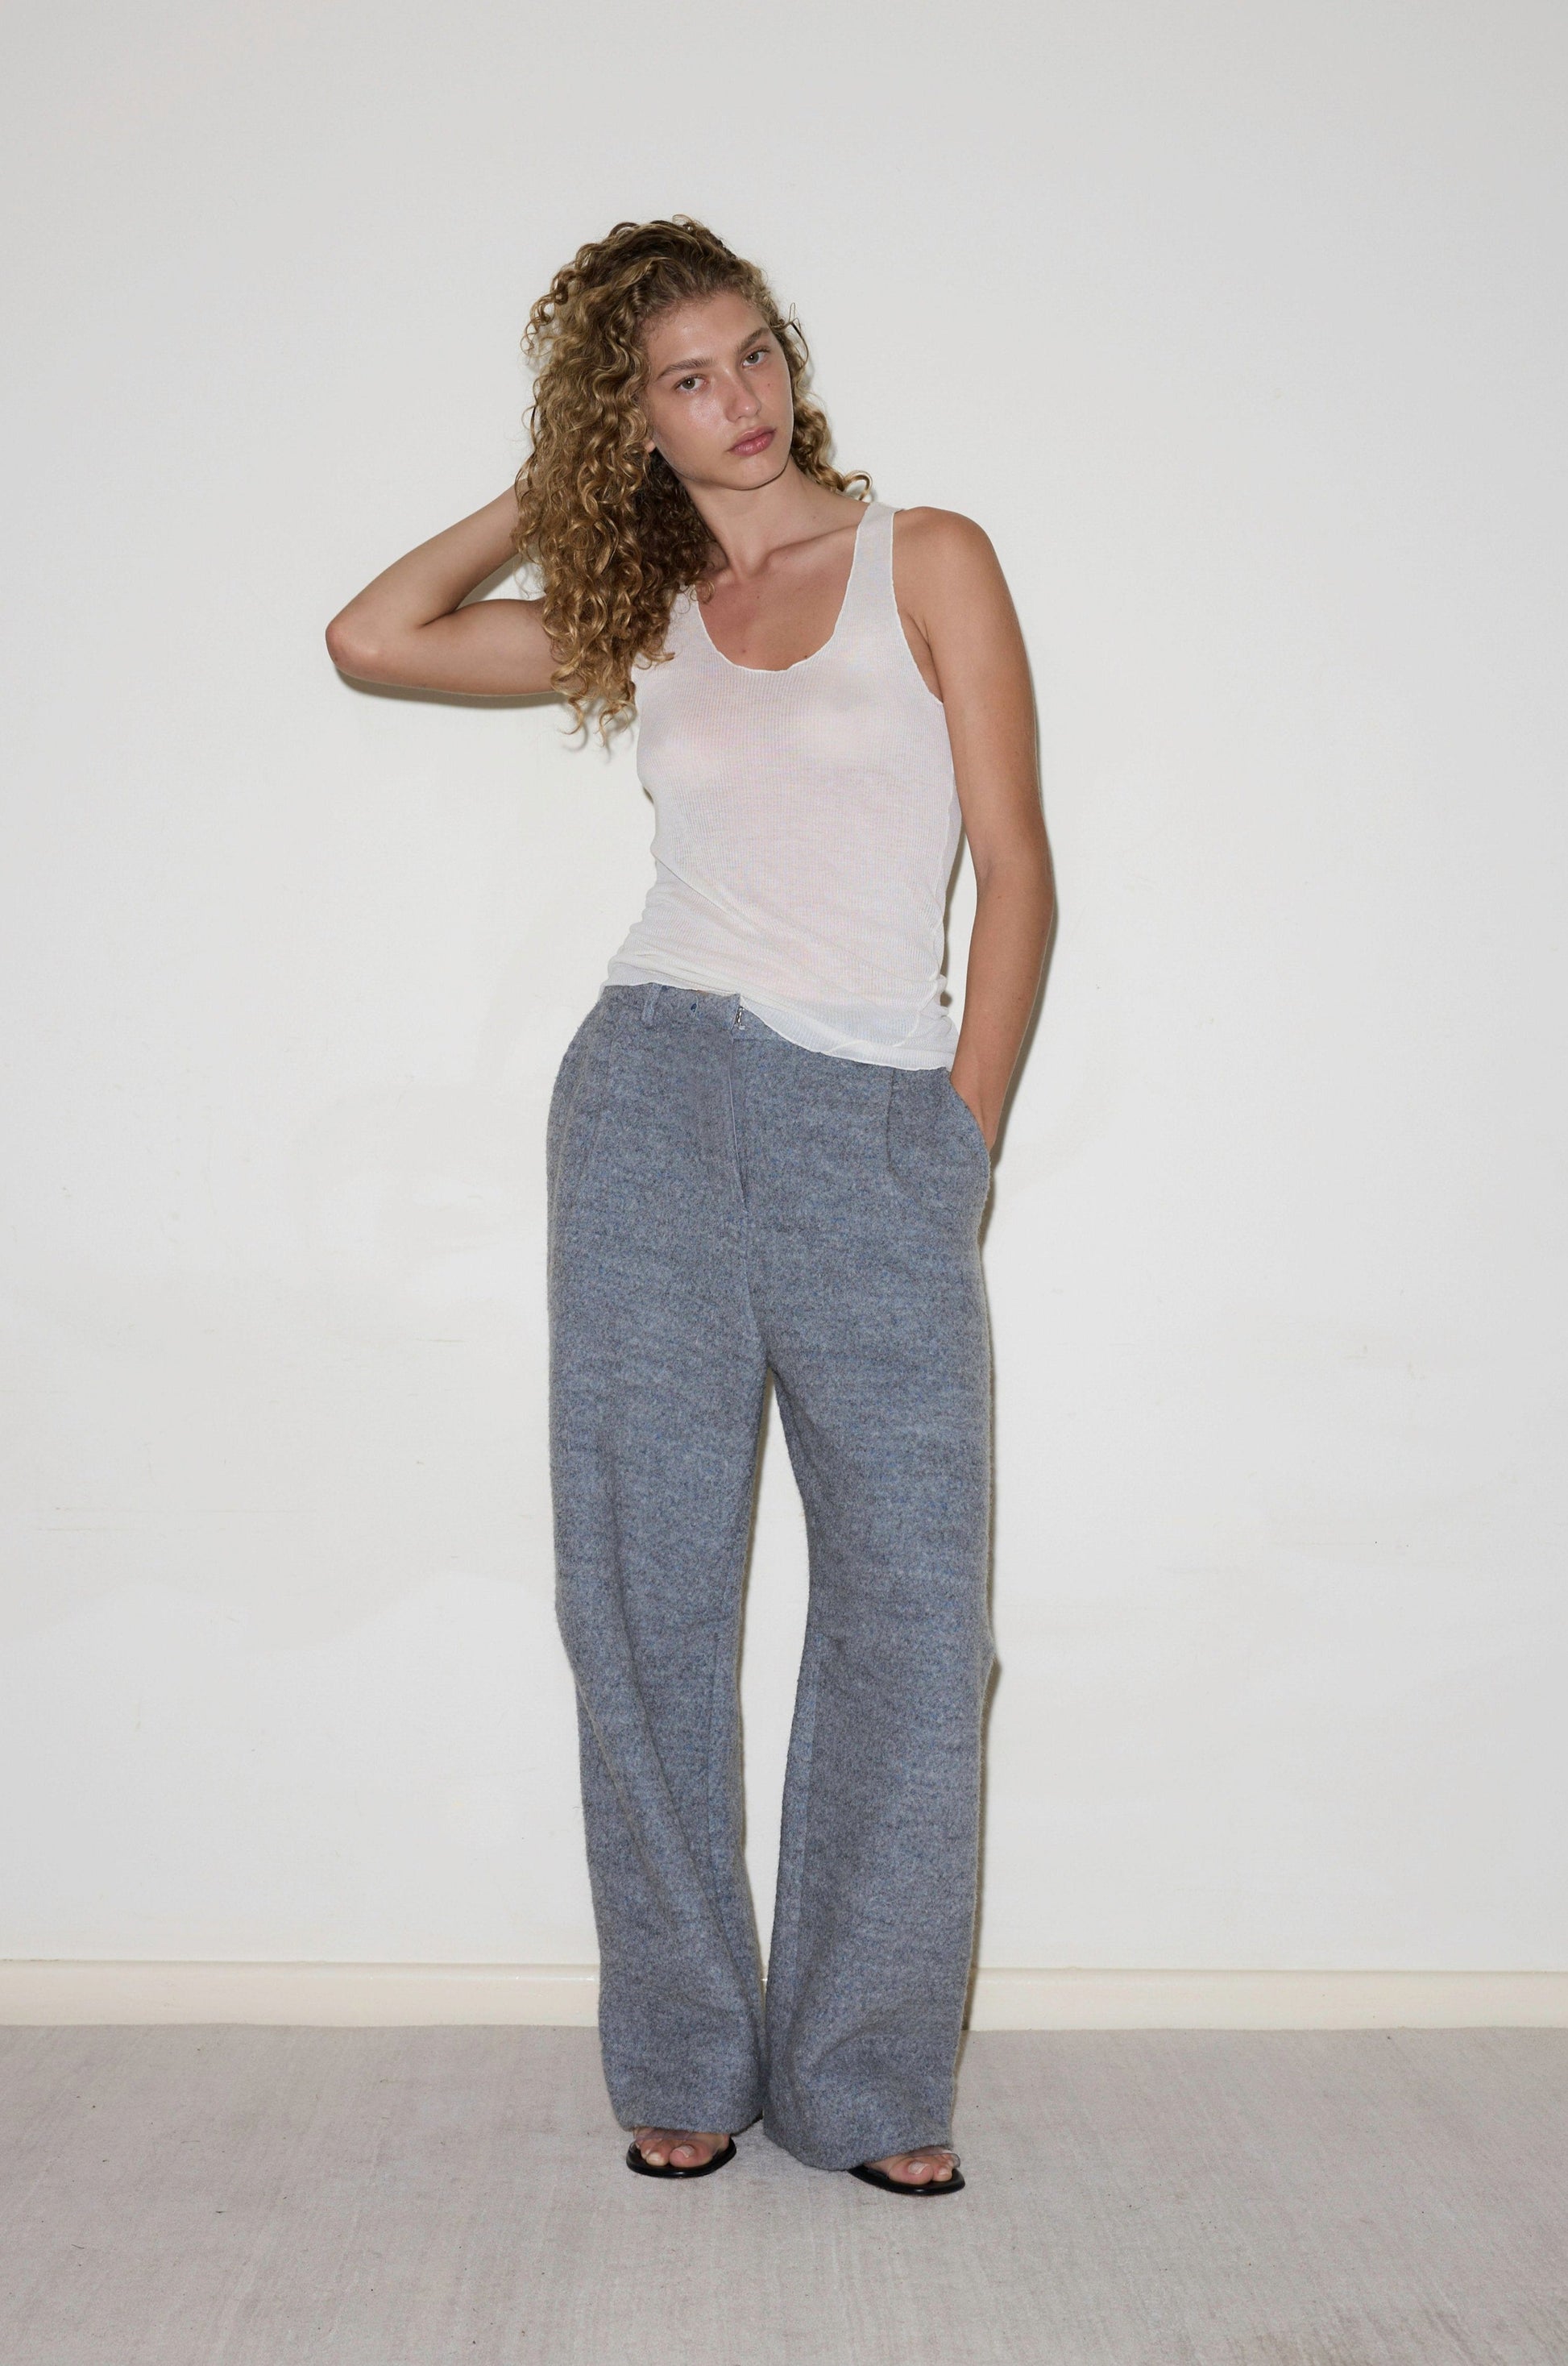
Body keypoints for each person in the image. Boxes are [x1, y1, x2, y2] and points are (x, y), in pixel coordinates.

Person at [326, 217, 1055, 2196]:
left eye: (753, 358)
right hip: (652, 1089)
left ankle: (869, 2075)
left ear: (791, 357)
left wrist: (956, 1142)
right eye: (683, 382)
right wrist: (553, 491)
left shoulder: (932, 559)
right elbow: (373, 638)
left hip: (872, 1116)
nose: (740, 406)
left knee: (915, 1606)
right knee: (645, 1593)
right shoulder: (634, 607)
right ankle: (682, 2052)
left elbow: (1013, 869)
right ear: (629, 420)